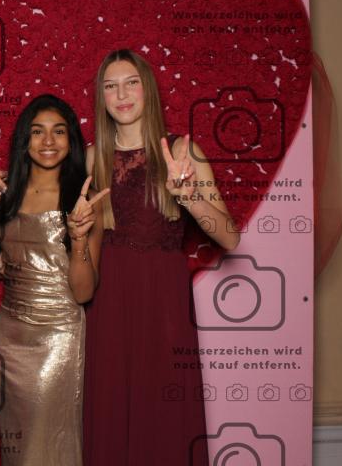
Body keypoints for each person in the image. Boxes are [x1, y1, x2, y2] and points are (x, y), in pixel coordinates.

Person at [82, 49, 241, 465]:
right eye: (110, 86)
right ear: (101, 97)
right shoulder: (92, 157)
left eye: (131, 83)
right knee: (112, 407)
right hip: (109, 300)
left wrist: (189, 198)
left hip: (164, 298)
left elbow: (229, 236)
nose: (121, 95)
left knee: (166, 411)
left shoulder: (185, 151)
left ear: (148, 89)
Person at [0, 94, 108, 466]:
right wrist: (20, 271)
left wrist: (78, 238)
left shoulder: (84, 200)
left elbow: (84, 291)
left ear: (71, 140)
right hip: (10, 335)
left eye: (59, 131)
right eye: (37, 132)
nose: (48, 141)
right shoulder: (6, 198)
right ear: (25, 140)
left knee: (48, 443)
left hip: (58, 335)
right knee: (16, 446)